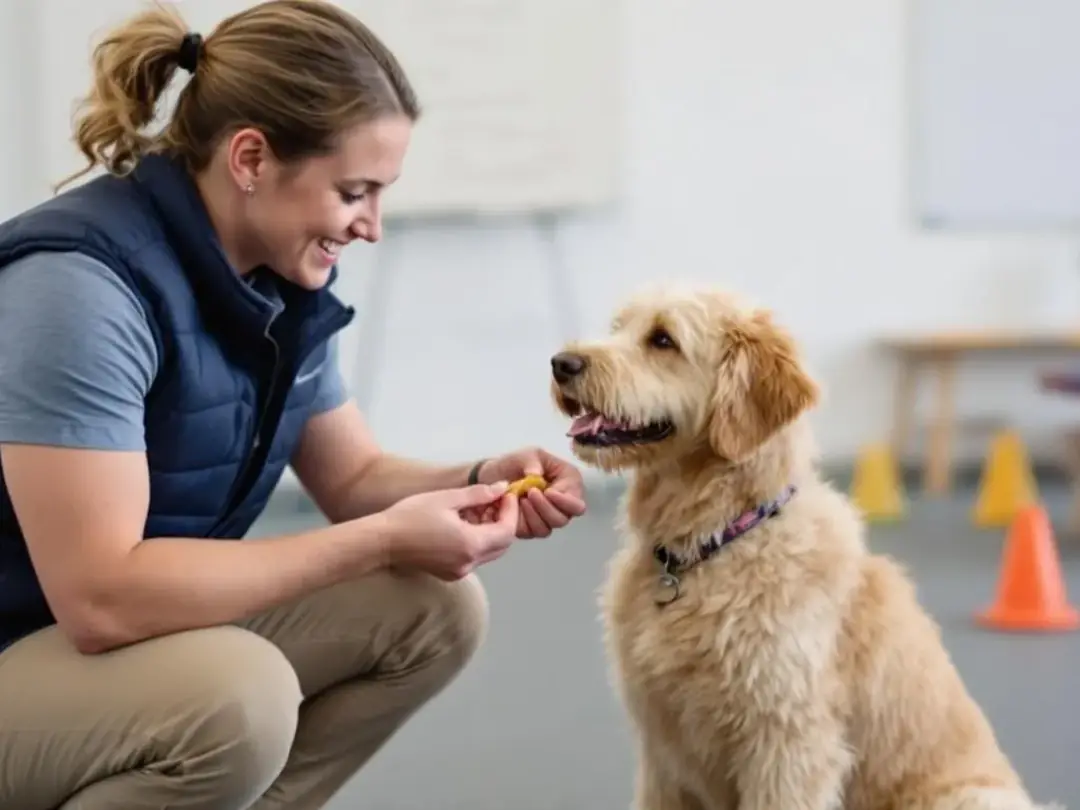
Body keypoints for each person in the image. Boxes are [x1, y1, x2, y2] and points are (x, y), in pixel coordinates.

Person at [0, 2, 587, 808]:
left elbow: (356, 476)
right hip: (30, 648)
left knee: (434, 606)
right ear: (250, 157)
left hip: (100, 645)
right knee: (235, 698)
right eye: (354, 191)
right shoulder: (80, 290)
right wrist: (381, 540)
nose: (372, 226)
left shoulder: (280, 280)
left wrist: (482, 475)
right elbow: (103, 597)